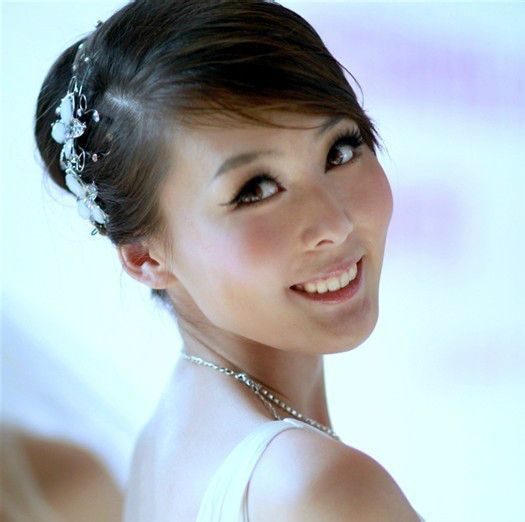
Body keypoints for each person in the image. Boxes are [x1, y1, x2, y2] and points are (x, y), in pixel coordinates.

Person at [34, 1, 425, 520]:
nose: (334, 223)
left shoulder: (169, 439)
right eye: (256, 189)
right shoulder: (316, 487)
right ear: (145, 257)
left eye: (340, 150)